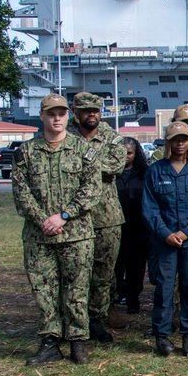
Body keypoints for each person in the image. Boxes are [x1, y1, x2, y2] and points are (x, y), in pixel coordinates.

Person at [12, 93, 101, 366]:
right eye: (51, 114)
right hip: (40, 236)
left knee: (76, 289)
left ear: (68, 116)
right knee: (43, 290)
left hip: (76, 234)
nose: (57, 118)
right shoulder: (26, 152)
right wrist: (44, 220)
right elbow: (21, 192)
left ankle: (77, 341)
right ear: (42, 116)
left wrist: (63, 216)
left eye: (61, 114)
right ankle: (50, 341)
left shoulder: (83, 150)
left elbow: (92, 189)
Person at [143, 122, 188, 357]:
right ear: (168, 142)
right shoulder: (156, 170)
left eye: (184, 139)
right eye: (175, 139)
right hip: (163, 242)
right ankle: (162, 336)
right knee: (163, 289)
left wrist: (185, 233)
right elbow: (149, 208)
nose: (180, 143)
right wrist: (167, 234)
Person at [68, 92, 128, 342]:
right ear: (76, 112)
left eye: (95, 110)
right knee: (75, 271)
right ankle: (73, 318)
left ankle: (97, 318)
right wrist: (96, 168)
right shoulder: (65, 136)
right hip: (74, 215)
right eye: (86, 110)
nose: (91, 114)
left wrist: (80, 166)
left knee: (104, 271)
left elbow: (117, 164)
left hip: (107, 215)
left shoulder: (111, 137)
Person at [114, 137, 150, 314]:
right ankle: (117, 294)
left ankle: (133, 298)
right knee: (115, 265)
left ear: (135, 154)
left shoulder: (144, 174)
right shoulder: (110, 174)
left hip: (138, 227)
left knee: (136, 266)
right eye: (122, 153)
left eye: (129, 153)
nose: (126, 157)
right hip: (115, 227)